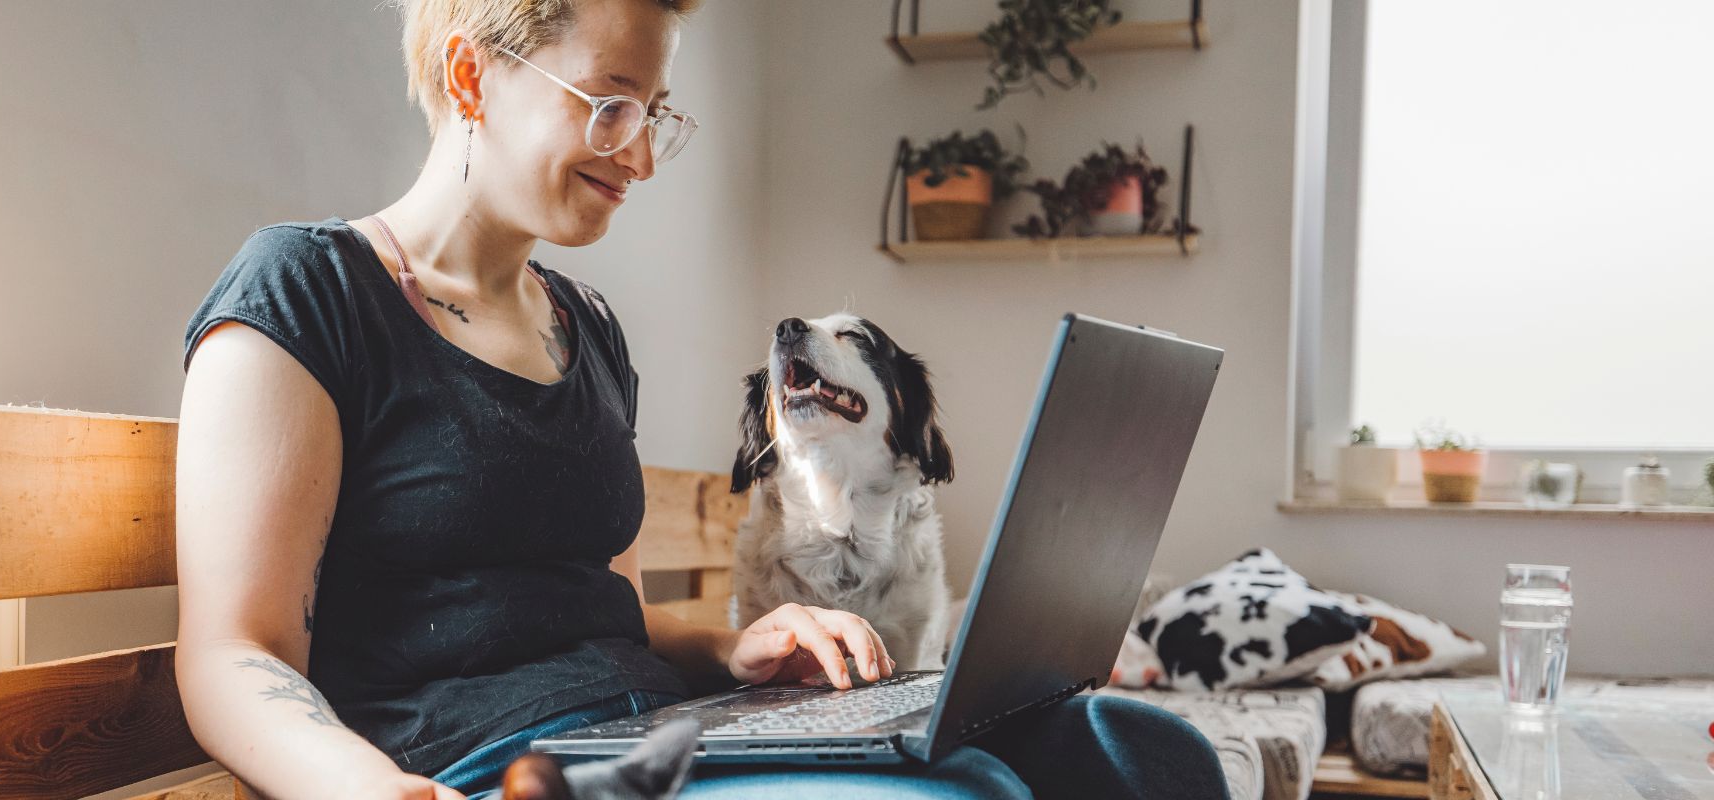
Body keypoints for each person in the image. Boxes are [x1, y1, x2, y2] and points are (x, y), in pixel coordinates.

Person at [174, 0, 1231, 797]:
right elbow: (233, 650)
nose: (638, 154)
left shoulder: (584, 324)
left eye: (656, 113)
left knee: (1147, 752)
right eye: (610, 105)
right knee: (984, 789)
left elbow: (608, 610)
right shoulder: (308, 290)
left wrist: (738, 646)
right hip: (513, 764)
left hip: (679, 721)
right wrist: (376, 790)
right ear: (470, 75)